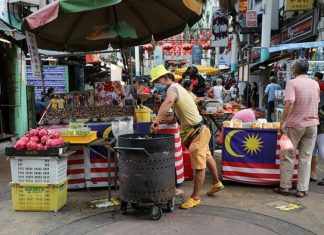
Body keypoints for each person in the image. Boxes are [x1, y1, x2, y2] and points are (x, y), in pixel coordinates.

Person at [149, 65, 224, 209]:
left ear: (166, 78)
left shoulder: (172, 89)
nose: (156, 85)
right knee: (207, 156)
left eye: (157, 81)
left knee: (198, 166)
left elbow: (170, 102)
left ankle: (195, 197)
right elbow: (188, 104)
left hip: (196, 132)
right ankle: (216, 182)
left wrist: (156, 120)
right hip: (201, 129)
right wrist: (175, 119)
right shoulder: (181, 88)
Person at [276, 59, 319, 198]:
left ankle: (285, 187)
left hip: (294, 125)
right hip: (312, 125)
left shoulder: (292, 83)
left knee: (288, 156)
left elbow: (289, 103)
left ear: (294, 69)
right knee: (305, 158)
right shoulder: (315, 83)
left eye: (292, 67)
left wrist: (282, 122)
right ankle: (302, 189)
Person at [311, 72, 324, 183]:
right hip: (317, 123)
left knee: (320, 149)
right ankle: (313, 174)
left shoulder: (319, 92)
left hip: (319, 123)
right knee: (313, 150)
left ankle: (313, 174)